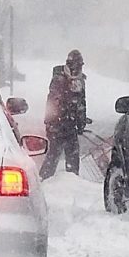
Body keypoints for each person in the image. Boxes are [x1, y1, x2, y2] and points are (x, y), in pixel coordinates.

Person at [39, 50, 88, 179]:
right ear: (69, 64)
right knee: (53, 155)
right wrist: (51, 123)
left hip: (71, 126)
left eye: (80, 66)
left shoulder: (80, 81)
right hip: (57, 125)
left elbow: (82, 103)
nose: (78, 68)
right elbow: (53, 101)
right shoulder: (59, 79)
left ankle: (72, 181)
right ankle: (44, 180)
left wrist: (81, 122)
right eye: (76, 65)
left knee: (73, 157)